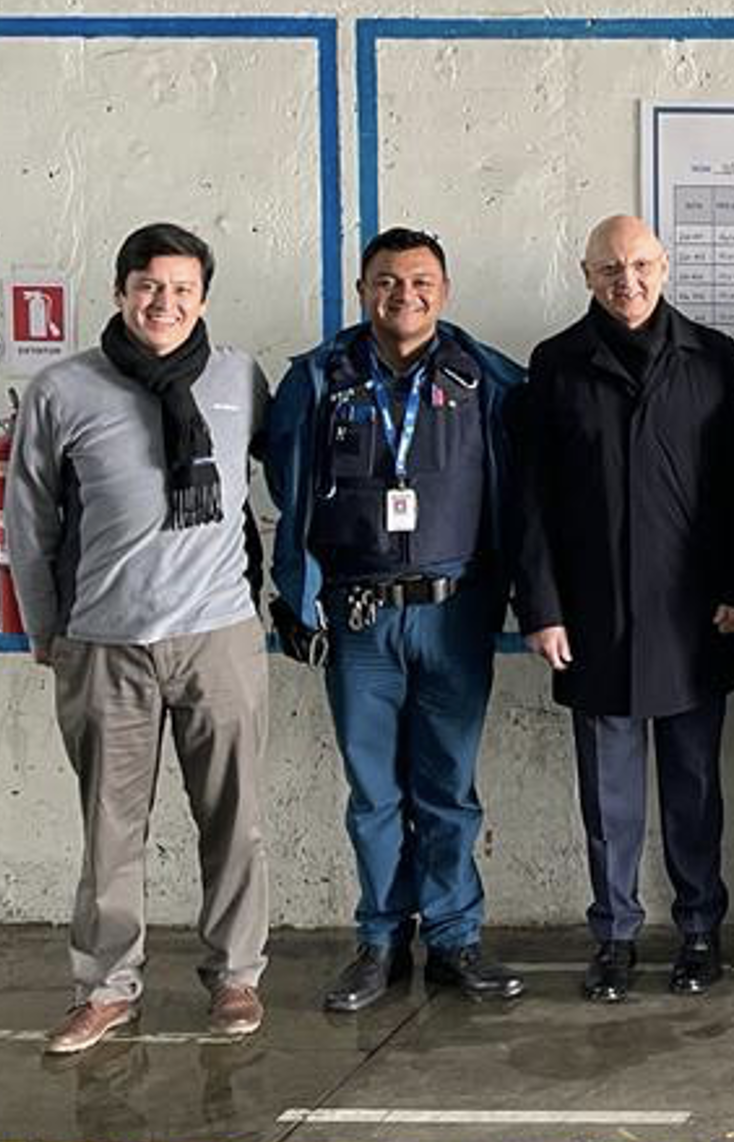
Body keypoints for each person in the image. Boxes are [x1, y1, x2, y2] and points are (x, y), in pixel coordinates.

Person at [6, 222, 273, 1052]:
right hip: (103, 643)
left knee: (234, 817)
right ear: (122, 292)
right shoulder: (62, 390)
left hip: (219, 636)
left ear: (203, 298)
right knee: (109, 826)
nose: (165, 303)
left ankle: (235, 978)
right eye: (149, 286)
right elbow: (29, 517)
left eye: (182, 289)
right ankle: (107, 987)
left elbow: (285, 483)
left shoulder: (239, 379)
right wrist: (47, 626)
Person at [263, 227, 528, 1012]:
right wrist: (294, 595)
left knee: (448, 788)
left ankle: (453, 938)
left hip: (454, 616)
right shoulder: (318, 379)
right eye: (385, 281)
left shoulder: (488, 381)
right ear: (361, 291)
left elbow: (518, 493)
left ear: (443, 292)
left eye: (419, 281)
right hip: (359, 620)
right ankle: (380, 941)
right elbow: (288, 491)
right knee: (373, 791)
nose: (402, 295)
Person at [510, 214, 734, 1003]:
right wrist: (542, 609)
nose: (628, 281)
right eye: (611, 268)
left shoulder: (712, 357)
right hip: (593, 620)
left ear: (665, 267)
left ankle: (698, 931)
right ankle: (615, 937)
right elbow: (531, 502)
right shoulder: (555, 364)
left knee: (694, 790)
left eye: (641, 265)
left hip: (696, 618)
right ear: (586, 275)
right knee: (608, 796)